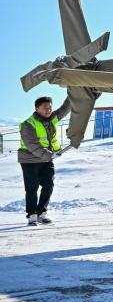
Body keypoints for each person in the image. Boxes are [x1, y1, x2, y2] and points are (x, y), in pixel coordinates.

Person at [18, 96, 73, 226]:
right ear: (37, 108)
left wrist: (74, 89)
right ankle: (32, 215)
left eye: (50, 107)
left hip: (47, 159)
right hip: (29, 160)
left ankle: (41, 213)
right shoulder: (28, 124)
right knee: (32, 188)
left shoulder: (53, 118)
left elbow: (66, 108)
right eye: (45, 107)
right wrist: (50, 155)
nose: (48, 110)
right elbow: (32, 145)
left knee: (48, 185)